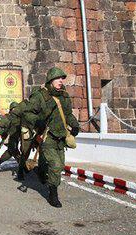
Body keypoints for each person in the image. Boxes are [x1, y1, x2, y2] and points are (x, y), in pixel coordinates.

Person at [27, 67, 80, 208]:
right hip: (47, 136)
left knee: (59, 165)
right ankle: (53, 194)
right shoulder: (39, 96)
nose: (61, 81)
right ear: (50, 80)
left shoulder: (64, 96)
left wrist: (75, 126)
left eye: (62, 78)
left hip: (61, 137)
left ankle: (41, 170)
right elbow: (29, 113)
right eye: (58, 78)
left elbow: (68, 114)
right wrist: (37, 121)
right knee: (56, 166)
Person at [0, 101, 20, 174]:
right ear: (11, 109)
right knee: (15, 151)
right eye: (14, 108)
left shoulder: (19, 117)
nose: (15, 110)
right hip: (8, 138)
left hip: (16, 137)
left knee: (9, 152)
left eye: (17, 108)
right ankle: (23, 168)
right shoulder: (7, 118)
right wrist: (3, 133)